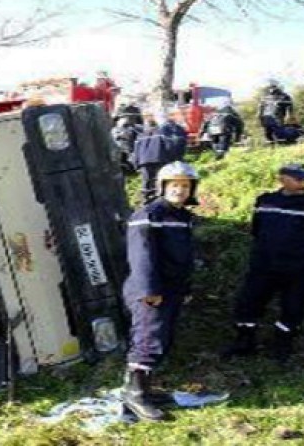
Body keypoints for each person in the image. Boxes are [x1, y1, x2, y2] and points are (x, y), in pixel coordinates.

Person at [223, 163, 304, 362]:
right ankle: (245, 341)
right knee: (249, 303)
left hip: (297, 269)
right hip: (263, 265)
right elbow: (257, 230)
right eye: (298, 178)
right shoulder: (265, 201)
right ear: (282, 179)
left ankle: (282, 346)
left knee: (293, 307)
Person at [121, 161, 199, 422]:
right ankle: (135, 395)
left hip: (173, 290)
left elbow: (184, 258)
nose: (180, 190)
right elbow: (141, 255)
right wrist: (148, 290)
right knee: (148, 340)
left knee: (162, 340)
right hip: (152, 292)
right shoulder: (149, 214)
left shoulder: (183, 217)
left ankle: (144, 388)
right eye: (175, 185)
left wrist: (184, 288)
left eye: (185, 185)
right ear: (163, 187)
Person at [132, 113, 188, 203]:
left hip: (144, 161)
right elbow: (168, 146)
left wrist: (136, 164)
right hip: (159, 158)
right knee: (160, 179)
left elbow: (135, 151)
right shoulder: (161, 133)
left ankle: (146, 201)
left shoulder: (141, 135)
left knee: (146, 181)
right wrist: (173, 159)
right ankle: (160, 200)